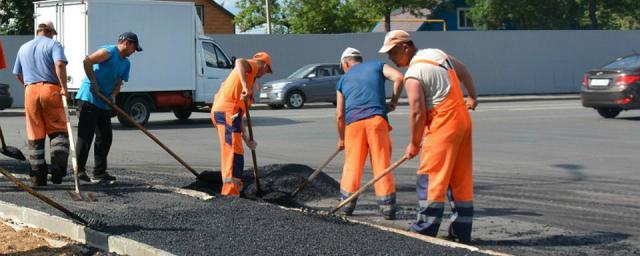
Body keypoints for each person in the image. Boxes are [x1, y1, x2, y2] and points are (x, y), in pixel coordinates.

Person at [379, 30, 478, 243]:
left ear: (405, 47)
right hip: (462, 120)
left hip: (443, 123)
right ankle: (461, 232)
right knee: (459, 178)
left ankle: (424, 231)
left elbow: (417, 111)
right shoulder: (437, 54)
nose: (390, 58)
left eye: (392, 53)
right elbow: (463, 70)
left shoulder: (414, 73)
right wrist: (472, 95)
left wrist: (414, 144)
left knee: (430, 176)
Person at [335, 47, 404, 219]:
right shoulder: (377, 66)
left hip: (354, 126)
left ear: (345, 63)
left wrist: (341, 139)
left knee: (352, 165)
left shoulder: (343, 80)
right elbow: (399, 77)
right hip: (376, 121)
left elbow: (339, 114)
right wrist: (393, 102)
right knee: (381, 164)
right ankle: (387, 208)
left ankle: (346, 206)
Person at [74, 32, 142, 182]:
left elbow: (118, 82)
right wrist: (93, 82)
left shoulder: (126, 63)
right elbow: (87, 62)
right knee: (86, 136)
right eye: (134, 48)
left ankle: (99, 172)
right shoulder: (109, 52)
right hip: (89, 98)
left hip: (104, 101)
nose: (133, 52)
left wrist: (113, 95)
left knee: (105, 137)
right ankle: (78, 171)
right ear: (126, 43)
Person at [12, 21, 69, 187]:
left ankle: (37, 177)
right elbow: (59, 64)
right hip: (50, 89)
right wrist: (64, 88)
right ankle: (57, 170)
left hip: (30, 91)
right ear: (51, 32)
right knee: (58, 130)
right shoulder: (54, 44)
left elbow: (18, 74)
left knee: (35, 135)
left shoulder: (23, 47)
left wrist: (30, 87)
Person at [211, 52, 272, 196]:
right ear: (264, 64)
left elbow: (239, 116)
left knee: (237, 150)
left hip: (231, 114)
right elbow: (239, 61)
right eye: (267, 70)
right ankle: (230, 192)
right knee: (232, 151)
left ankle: (234, 188)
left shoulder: (250, 77)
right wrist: (245, 86)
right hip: (226, 112)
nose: (265, 73)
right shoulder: (253, 66)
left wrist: (247, 139)